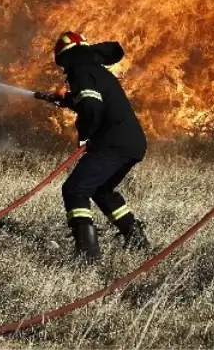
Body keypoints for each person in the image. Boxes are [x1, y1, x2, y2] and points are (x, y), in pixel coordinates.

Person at [36, 31, 150, 260]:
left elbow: (90, 106)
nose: (64, 70)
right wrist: (64, 99)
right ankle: (138, 242)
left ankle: (88, 257)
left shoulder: (81, 71)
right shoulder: (95, 70)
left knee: (75, 190)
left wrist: (85, 133)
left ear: (66, 56)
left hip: (113, 143)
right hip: (132, 143)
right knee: (101, 190)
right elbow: (91, 100)